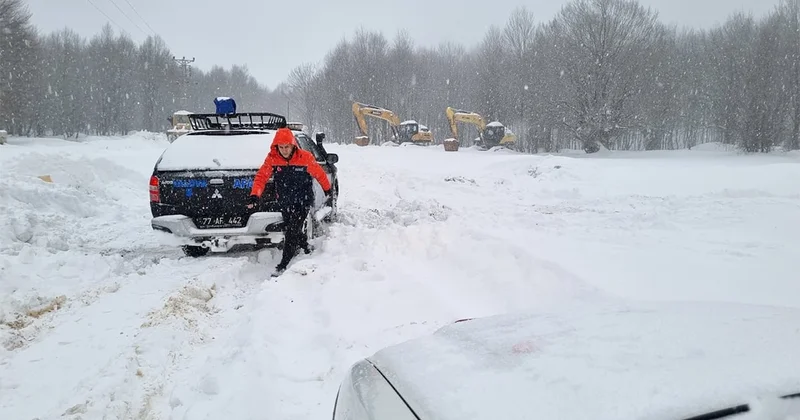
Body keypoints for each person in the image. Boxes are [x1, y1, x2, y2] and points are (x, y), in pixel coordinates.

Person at [247, 127, 332, 274]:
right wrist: (255, 195)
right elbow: (261, 176)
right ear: (276, 147)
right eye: (281, 147)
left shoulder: (305, 157)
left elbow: (319, 173)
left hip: (303, 200)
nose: (284, 150)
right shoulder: (273, 159)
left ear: (293, 145)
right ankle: (305, 246)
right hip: (285, 201)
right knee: (292, 228)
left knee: (292, 231)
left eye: (287, 147)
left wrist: (327, 189)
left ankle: (283, 264)